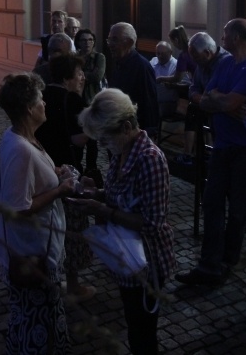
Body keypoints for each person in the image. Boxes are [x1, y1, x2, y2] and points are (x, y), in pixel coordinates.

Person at [71, 89, 175, 355]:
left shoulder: (149, 159)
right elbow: (122, 195)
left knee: (142, 330)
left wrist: (102, 210)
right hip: (126, 256)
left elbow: (152, 222)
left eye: (106, 138)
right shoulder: (122, 151)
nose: (104, 144)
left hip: (147, 261)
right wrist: (98, 194)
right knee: (133, 322)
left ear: (127, 127)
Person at [175, 18, 246, 286]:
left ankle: (227, 261)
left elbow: (218, 99)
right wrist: (225, 104)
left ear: (238, 38)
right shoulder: (227, 63)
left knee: (239, 209)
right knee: (212, 202)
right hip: (223, 144)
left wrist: (220, 100)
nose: (222, 38)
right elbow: (205, 97)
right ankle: (209, 263)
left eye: (226, 34)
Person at [0, 73, 76, 354]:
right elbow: (19, 208)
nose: (45, 104)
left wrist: (54, 173)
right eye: (41, 100)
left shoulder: (22, 138)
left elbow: (31, 178)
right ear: (29, 109)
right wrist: (59, 190)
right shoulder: (20, 149)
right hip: (32, 251)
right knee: (36, 322)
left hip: (37, 247)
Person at [35, 54, 95, 301]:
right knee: (72, 228)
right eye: (79, 73)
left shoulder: (43, 95)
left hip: (44, 167)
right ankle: (73, 284)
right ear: (68, 77)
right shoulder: (68, 99)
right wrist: (95, 132)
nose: (82, 77)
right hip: (64, 170)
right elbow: (73, 139)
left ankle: (50, 277)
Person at [174, 32, 229, 165]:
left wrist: (204, 98)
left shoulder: (226, 63)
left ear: (208, 52)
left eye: (196, 57)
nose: (194, 61)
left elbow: (219, 95)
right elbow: (193, 88)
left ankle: (208, 154)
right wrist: (201, 98)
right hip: (205, 106)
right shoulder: (201, 62)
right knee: (192, 110)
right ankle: (191, 153)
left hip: (223, 114)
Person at [106, 22, 160, 135]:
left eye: (115, 40)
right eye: (109, 39)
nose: (110, 44)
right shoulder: (119, 63)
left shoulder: (142, 67)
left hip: (134, 131)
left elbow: (148, 103)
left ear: (129, 42)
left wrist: (148, 132)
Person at [74, 28, 106, 175]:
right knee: (78, 137)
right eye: (84, 40)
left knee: (92, 140)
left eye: (90, 40)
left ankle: (91, 168)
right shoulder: (74, 58)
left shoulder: (99, 57)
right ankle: (77, 168)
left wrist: (79, 76)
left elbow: (97, 76)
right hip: (77, 102)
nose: (87, 43)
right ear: (78, 42)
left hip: (92, 102)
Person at [150, 41, 179, 117]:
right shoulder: (153, 61)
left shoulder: (177, 65)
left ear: (170, 52)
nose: (160, 56)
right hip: (151, 99)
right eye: (158, 53)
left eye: (163, 54)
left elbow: (187, 84)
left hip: (167, 102)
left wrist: (173, 85)